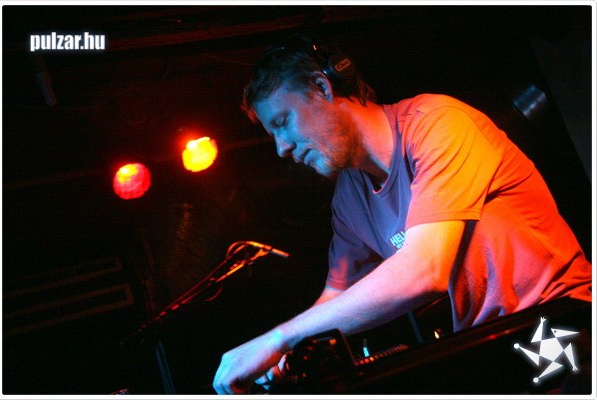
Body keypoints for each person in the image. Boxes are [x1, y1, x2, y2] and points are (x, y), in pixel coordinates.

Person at [212, 33, 592, 394]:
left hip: (559, 319)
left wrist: (279, 338)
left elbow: (425, 270)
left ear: (322, 88)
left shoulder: (437, 123)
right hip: (492, 340)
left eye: (282, 122)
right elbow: (337, 295)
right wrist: (286, 353)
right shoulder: (349, 197)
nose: (281, 148)